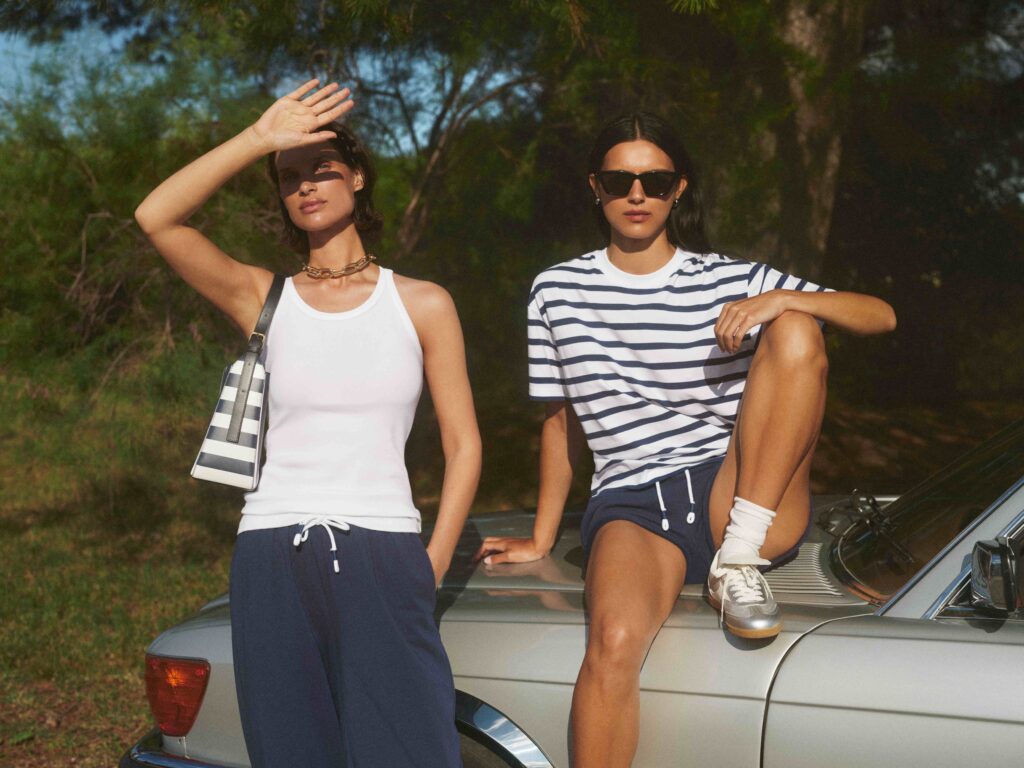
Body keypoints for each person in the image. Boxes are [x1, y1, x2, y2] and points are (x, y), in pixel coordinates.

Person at [476, 112, 895, 767]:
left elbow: (881, 315)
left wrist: (782, 300)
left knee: (796, 326)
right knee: (613, 642)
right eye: (619, 180)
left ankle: (737, 563)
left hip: (740, 491)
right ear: (595, 186)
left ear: (678, 189)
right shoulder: (556, 290)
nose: (636, 194)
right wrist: (541, 534)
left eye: (655, 180)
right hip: (634, 504)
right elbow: (560, 420)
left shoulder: (729, 278)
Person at [135, 79, 481, 768]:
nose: (305, 186)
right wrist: (259, 138)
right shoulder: (262, 297)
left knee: (412, 750)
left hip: (384, 548)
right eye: (289, 177)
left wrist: (433, 561)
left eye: (321, 168)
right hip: (270, 553)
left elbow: (463, 442)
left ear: (357, 176)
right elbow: (157, 218)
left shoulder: (422, 303)